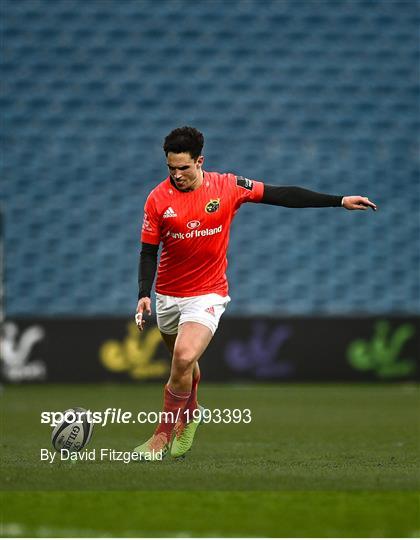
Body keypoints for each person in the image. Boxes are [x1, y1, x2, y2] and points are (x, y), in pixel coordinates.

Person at [134, 126, 376, 460]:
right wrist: (144, 294)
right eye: (171, 168)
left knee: (185, 357)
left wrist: (338, 201)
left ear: (200, 161)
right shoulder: (157, 199)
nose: (177, 175)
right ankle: (192, 414)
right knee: (184, 366)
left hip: (207, 294)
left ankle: (160, 437)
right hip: (167, 297)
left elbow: (281, 195)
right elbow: (148, 252)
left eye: (184, 168)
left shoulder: (228, 186)